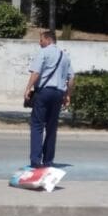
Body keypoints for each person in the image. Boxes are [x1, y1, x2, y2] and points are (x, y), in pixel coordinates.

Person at [23, 29, 74, 169]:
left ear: (48, 40)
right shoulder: (65, 56)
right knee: (52, 128)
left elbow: (36, 72)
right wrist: (67, 95)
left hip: (44, 92)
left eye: (41, 40)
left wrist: (28, 88)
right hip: (58, 93)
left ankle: (35, 160)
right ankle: (48, 161)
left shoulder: (43, 52)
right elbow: (71, 78)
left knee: (37, 125)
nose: (39, 43)